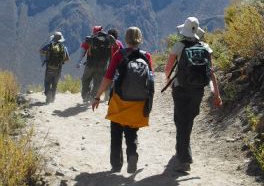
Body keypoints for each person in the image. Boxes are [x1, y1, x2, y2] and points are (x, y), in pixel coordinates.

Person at [92, 27, 154, 174]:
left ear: (126, 39)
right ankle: (132, 155)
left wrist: (97, 96)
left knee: (116, 133)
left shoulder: (119, 54)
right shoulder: (147, 56)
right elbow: (150, 81)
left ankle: (116, 165)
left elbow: (108, 77)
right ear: (140, 39)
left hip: (119, 100)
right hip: (138, 102)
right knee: (132, 132)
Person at [164, 17, 222, 173]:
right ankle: (181, 151)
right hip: (198, 89)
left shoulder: (179, 46)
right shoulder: (205, 47)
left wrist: (168, 80)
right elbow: (211, 73)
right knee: (187, 120)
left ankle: (184, 159)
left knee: (181, 121)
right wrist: (217, 94)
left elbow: (168, 68)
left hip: (181, 88)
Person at [77, 26, 116, 103]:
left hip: (90, 65)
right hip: (103, 66)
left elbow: (82, 51)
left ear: (94, 31)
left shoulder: (90, 39)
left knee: (86, 79)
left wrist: (79, 62)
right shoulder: (108, 40)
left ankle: (85, 95)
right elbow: (112, 53)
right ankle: (92, 96)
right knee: (97, 83)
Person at [40, 31, 69, 104]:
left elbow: (41, 50)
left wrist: (47, 53)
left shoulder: (49, 45)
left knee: (47, 82)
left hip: (49, 67)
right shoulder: (63, 47)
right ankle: (52, 98)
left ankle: (48, 94)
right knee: (55, 83)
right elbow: (67, 59)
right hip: (58, 68)